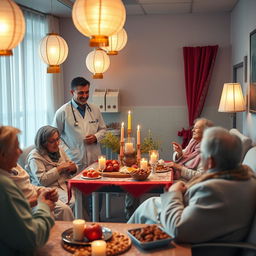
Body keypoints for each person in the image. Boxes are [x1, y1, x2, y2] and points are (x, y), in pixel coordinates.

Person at [128, 127, 256, 256]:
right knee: (148, 206)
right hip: (200, 227)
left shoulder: (213, 191)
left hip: (193, 246)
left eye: (202, 156)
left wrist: (174, 192)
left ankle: (123, 247)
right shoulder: (245, 178)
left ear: (210, 162)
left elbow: (178, 230)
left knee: (141, 216)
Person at [0, 125, 55, 255]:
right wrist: (43, 206)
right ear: (2, 155)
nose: (20, 152)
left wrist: (32, 202)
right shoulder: (4, 186)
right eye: (16, 148)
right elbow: (32, 239)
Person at [52, 76, 106, 171]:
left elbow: (103, 129)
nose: (85, 96)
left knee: (96, 183)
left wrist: (96, 137)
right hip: (73, 159)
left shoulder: (95, 109)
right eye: (81, 93)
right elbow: (54, 137)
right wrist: (67, 151)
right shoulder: (62, 112)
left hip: (94, 157)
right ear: (72, 92)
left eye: (87, 92)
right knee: (76, 185)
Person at [26, 125, 77, 212]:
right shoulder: (35, 157)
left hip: (64, 185)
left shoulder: (59, 150)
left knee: (82, 196)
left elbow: (70, 164)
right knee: (70, 204)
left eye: (57, 139)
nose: (57, 143)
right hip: (48, 189)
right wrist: (59, 168)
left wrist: (73, 168)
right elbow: (42, 180)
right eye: (52, 141)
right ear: (43, 143)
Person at [5, 163, 74, 220]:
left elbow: (27, 185)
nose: (20, 152)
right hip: (27, 206)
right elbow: (9, 207)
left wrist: (42, 190)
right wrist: (39, 202)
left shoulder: (14, 165)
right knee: (70, 202)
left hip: (39, 195)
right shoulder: (34, 157)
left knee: (65, 209)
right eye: (15, 148)